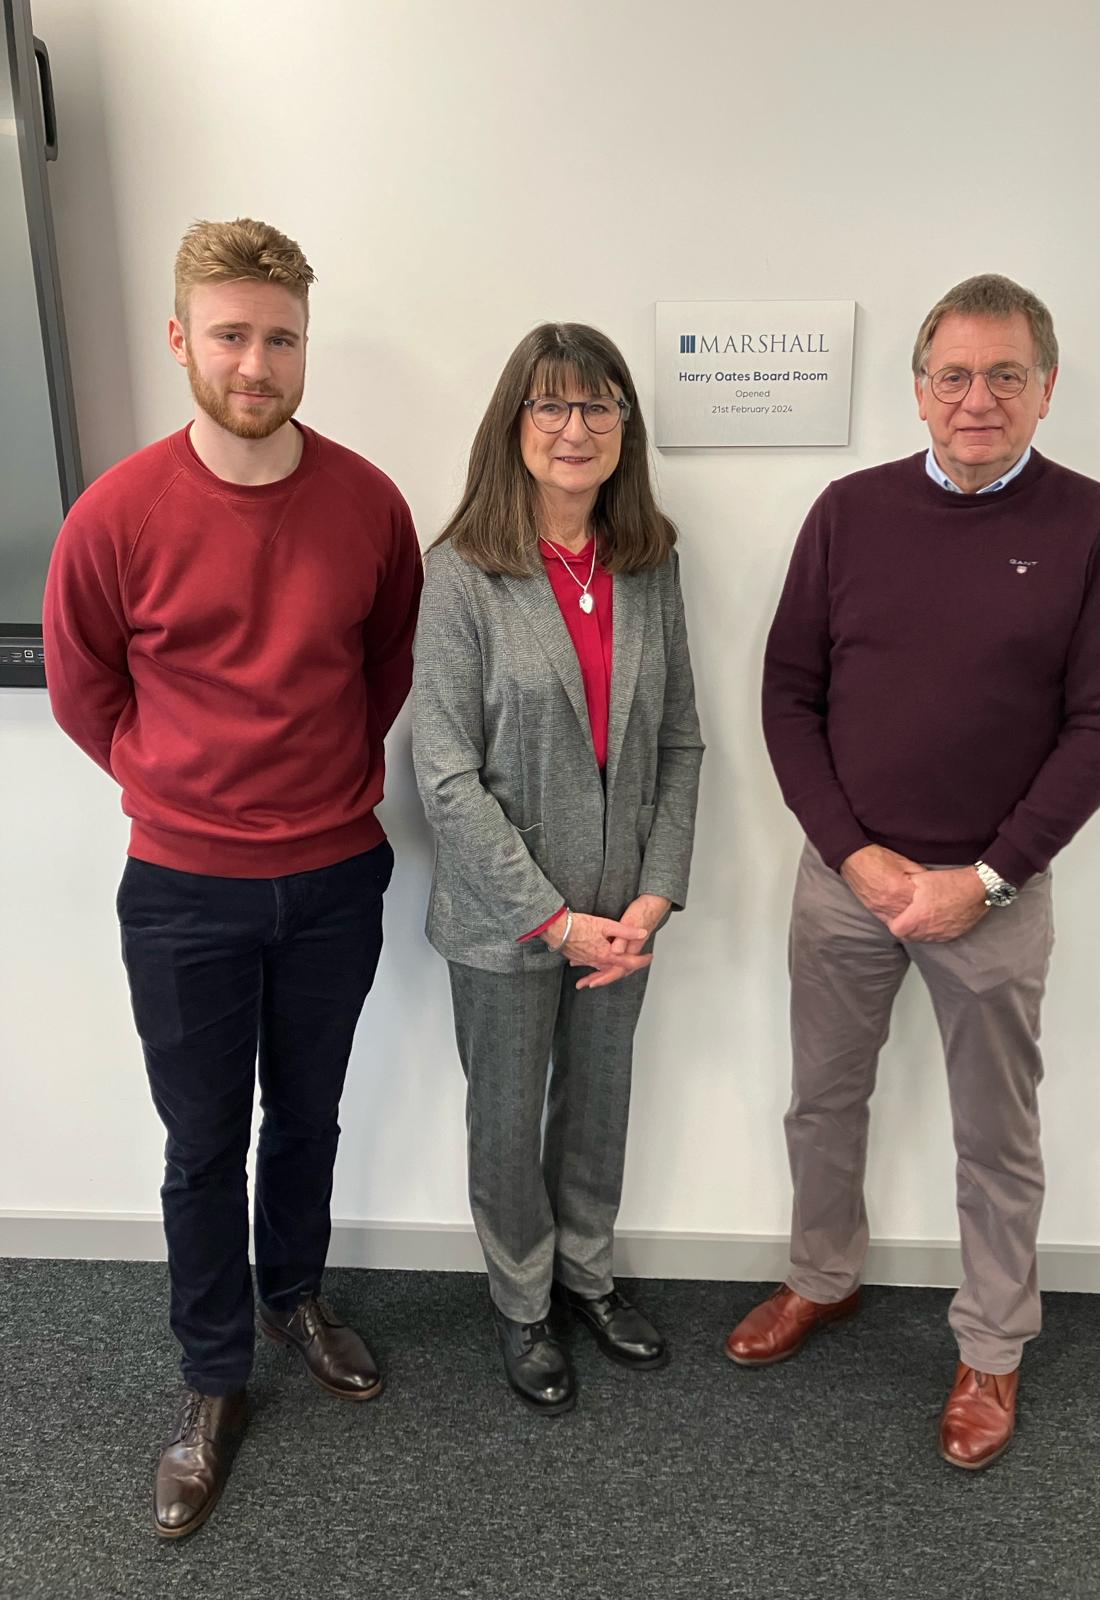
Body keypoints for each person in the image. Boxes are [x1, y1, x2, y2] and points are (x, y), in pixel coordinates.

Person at [725, 274, 1100, 1469]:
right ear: (917, 390)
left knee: (994, 1135)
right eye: (954, 375)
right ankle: (823, 1277)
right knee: (823, 1101)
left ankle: (994, 1348)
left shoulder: (1097, 525)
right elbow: (788, 693)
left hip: (995, 896)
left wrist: (991, 876)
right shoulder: (849, 511)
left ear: (1045, 388)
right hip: (843, 881)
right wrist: (851, 852)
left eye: (1006, 374)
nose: (979, 398)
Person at [43, 218, 423, 1536]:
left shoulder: (368, 503)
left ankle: (294, 1293)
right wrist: (183, 789)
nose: (255, 361)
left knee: (308, 1113)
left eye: (279, 337)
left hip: (335, 876)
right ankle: (212, 1381)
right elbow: (86, 692)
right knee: (202, 1146)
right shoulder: (117, 513)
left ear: (304, 345)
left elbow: (384, 668)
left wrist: (316, 794)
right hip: (183, 890)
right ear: (181, 341)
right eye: (230, 335)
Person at [412, 322, 703, 1414]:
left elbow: (681, 738)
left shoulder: (651, 564)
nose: (575, 428)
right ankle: (525, 1301)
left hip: (624, 914)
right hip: (506, 922)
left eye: (598, 407)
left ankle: (588, 1273)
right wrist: (552, 919)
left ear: (626, 427)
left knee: (599, 1104)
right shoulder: (462, 577)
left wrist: (654, 896)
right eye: (551, 406)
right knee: (505, 1116)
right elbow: (443, 777)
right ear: (515, 425)